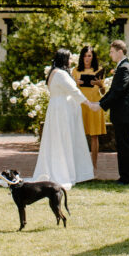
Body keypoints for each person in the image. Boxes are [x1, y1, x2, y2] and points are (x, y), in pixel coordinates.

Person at [31, 48, 95, 188]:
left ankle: (65, 169)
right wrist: (89, 104)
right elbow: (74, 91)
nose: (72, 61)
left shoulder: (53, 73)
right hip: (62, 111)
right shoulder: (60, 74)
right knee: (63, 139)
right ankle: (63, 172)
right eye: (70, 58)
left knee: (57, 140)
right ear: (65, 60)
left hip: (56, 108)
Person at [98, 40, 129, 184]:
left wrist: (101, 105)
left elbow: (118, 91)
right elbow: (113, 91)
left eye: (112, 51)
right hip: (121, 114)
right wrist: (101, 103)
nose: (110, 54)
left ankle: (127, 177)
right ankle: (124, 176)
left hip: (124, 115)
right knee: (122, 145)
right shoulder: (122, 67)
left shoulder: (125, 68)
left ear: (120, 52)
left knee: (124, 146)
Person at [72, 44, 106, 172]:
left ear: (93, 57)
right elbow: (71, 90)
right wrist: (76, 84)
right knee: (79, 135)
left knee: (94, 136)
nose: (87, 58)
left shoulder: (99, 70)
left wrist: (100, 84)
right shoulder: (75, 71)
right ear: (82, 57)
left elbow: (103, 92)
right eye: (85, 56)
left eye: (90, 56)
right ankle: (80, 165)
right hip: (81, 105)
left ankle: (94, 165)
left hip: (94, 104)